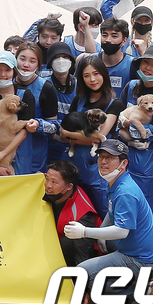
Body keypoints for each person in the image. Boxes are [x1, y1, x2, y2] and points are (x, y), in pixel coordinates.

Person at [65, 140, 153, 304]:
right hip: (148, 249)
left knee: (82, 274)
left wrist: (85, 231)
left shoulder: (125, 191)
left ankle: (137, 290)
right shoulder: (118, 182)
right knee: (102, 244)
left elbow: (121, 231)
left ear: (124, 162)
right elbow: (112, 212)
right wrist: (100, 234)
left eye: (110, 158)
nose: (103, 162)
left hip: (143, 258)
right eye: (101, 157)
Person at [117, 45, 153, 220]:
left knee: (146, 206)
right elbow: (118, 112)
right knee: (122, 202)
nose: (147, 68)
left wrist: (130, 128)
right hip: (122, 154)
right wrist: (121, 126)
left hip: (146, 158)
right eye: (145, 62)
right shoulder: (131, 86)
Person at [60, 54, 123, 210]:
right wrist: (71, 136)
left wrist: (70, 136)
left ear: (104, 74)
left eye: (96, 74)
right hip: (75, 164)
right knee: (75, 210)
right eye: (86, 75)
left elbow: (98, 137)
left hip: (99, 166)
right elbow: (63, 132)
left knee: (101, 209)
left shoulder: (115, 103)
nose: (92, 79)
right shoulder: (78, 100)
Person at [11, 42, 59, 175]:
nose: (26, 65)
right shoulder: (6, 81)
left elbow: (54, 126)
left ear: (38, 65)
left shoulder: (46, 88)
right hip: (6, 153)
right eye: (22, 59)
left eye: (32, 61)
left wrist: (39, 125)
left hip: (34, 154)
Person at [44, 160, 100, 267]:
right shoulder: (55, 190)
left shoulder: (82, 214)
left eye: (54, 182)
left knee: (68, 242)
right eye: (47, 179)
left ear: (69, 187)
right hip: (56, 242)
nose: (48, 185)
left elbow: (84, 255)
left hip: (84, 253)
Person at [98, 17, 134, 97]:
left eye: (114, 36)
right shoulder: (90, 61)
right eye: (104, 35)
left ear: (124, 41)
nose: (108, 40)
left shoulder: (133, 65)